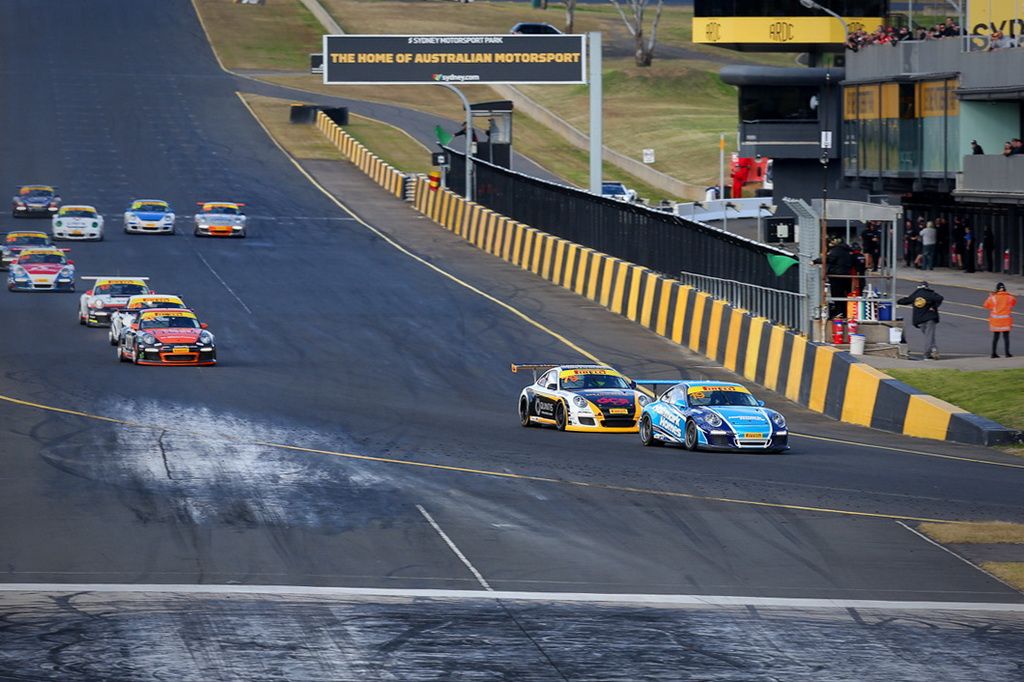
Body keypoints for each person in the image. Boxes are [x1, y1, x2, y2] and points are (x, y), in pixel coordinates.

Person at [898, 281, 944, 360]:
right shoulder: (930, 293)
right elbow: (940, 298)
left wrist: (898, 301)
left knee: (928, 336)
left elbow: (905, 301)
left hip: (919, 319)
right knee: (929, 336)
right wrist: (934, 306)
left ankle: (932, 350)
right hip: (930, 318)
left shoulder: (916, 294)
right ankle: (929, 352)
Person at [985, 283, 1017, 358]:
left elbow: (986, 305)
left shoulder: (993, 298)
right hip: (1005, 321)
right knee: (1006, 337)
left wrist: (991, 296)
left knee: (996, 337)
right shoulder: (1010, 297)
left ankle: (993, 353)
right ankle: (1007, 353)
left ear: (996, 289)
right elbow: (1013, 303)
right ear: (1005, 289)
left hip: (996, 321)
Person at [825, 237, 853, 319]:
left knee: (837, 294)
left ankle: (839, 312)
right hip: (847, 275)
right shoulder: (847, 250)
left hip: (836, 276)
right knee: (846, 295)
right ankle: (846, 312)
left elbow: (829, 259)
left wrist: (815, 261)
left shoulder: (836, 251)